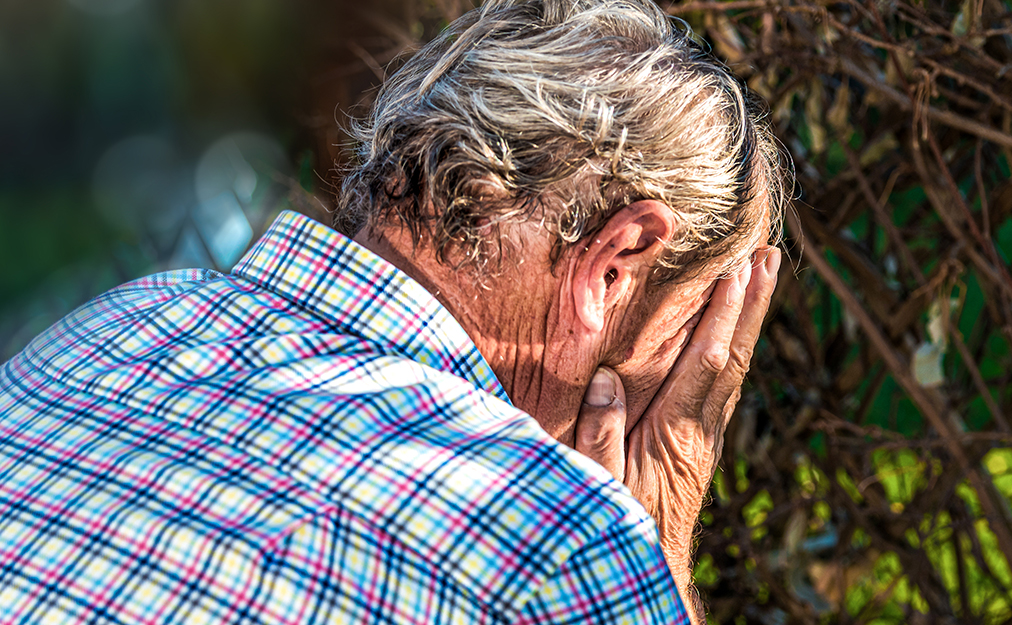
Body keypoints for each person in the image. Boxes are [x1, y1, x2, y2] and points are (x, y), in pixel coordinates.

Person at [0, 0, 785, 622]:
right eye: (691, 338)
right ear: (615, 265)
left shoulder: (115, 325)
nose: (685, 384)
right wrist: (654, 543)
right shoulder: (557, 541)